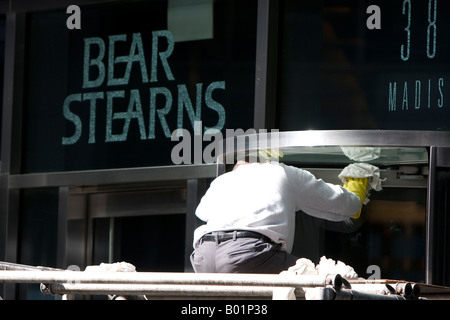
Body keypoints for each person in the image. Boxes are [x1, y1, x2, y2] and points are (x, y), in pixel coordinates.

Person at [190, 159, 368, 274]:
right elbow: (343, 205)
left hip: (202, 258)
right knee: (315, 280)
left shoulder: (223, 180)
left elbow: (202, 212)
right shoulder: (284, 173)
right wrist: (358, 183)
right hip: (248, 255)